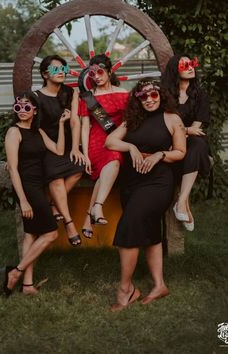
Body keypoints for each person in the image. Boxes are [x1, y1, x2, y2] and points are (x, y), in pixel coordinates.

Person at [105, 78, 186, 312]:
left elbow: (180, 152)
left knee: (129, 226)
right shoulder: (132, 120)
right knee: (150, 232)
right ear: (137, 100)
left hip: (158, 182)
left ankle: (125, 290)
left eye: (153, 95)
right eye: (143, 96)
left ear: (160, 95)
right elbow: (111, 142)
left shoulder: (172, 119)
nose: (149, 100)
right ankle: (160, 285)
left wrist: (159, 154)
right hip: (131, 183)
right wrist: (130, 147)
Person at [4, 91, 69, 296]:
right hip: (26, 188)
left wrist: (60, 124)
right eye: (18, 107)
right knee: (50, 233)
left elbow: (58, 151)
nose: (22, 110)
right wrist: (23, 200)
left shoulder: (37, 131)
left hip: (38, 185)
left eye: (26, 107)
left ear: (34, 110)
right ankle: (16, 272)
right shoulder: (14, 132)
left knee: (31, 234)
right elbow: (13, 169)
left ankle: (27, 285)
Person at [36, 55, 85, 246]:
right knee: (55, 177)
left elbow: (75, 121)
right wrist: (54, 148)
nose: (61, 72)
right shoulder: (36, 97)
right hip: (47, 145)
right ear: (45, 74)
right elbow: (37, 129)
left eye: (63, 69)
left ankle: (54, 205)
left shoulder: (70, 92)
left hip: (67, 144)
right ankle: (69, 223)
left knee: (79, 167)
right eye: (56, 69)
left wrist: (75, 148)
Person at [79, 54, 129, 239]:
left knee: (113, 159)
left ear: (109, 71)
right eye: (92, 74)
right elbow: (85, 127)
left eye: (100, 72)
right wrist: (85, 154)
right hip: (95, 143)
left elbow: (130, 122)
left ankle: (91, 213)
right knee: (112, 162)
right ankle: (95, 210)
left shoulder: (124, 94)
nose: (97, 76)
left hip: (116, 140)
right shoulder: (88, 97)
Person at [161, 54, 211, 231]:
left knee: (197, 144)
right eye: (185, 65)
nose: (191, 68)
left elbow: (196, 128)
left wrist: (186, 131)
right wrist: (186, 130)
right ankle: (185, 206)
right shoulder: (165, 94)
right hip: (169, 142)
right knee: (196, 150)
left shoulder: (200, 94)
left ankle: (181, 202)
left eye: (192, 64)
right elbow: (164, 125)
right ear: (175, 69)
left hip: (191, 142)